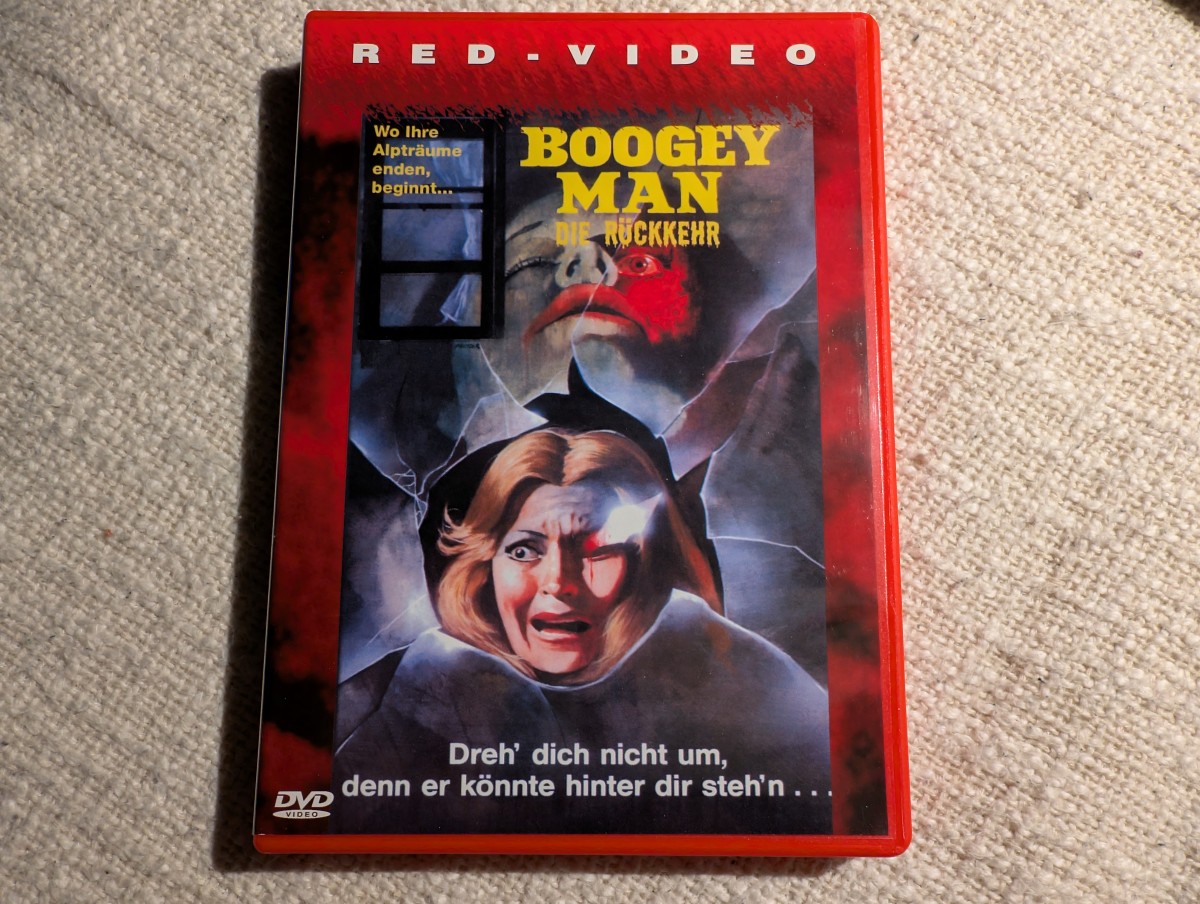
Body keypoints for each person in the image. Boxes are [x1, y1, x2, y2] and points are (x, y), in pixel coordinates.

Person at [332, 427, 831, 835]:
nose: (560, 583)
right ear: (484, 569)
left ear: (647, 565)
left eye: (597, 549)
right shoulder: (412, 690)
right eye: (524, 551)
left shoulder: (738, 677)